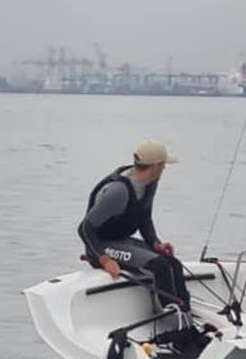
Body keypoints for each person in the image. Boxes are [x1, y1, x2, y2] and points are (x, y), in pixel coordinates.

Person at [78, 139, 194, 334]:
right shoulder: (118, 191)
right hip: (101, 246)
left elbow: (144, 218)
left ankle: (185, 313)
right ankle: (172, 325)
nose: (164, 169)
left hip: (121, 241)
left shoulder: (150, 183)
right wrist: (103, 259)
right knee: (161, 267)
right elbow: (84, 229)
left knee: (172, 262)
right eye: (163, 166)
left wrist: (155, 243)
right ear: (156, 166)